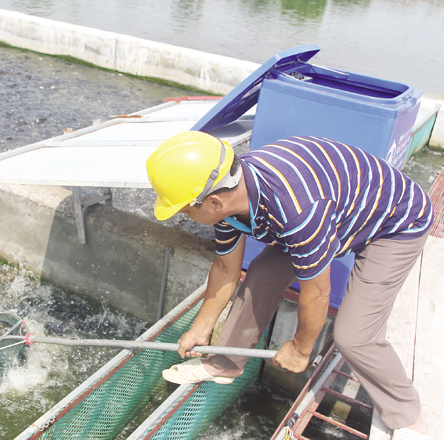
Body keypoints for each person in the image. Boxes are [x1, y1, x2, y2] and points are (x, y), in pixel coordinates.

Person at [145, 131, 432, 440]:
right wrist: (202, 327)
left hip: (395, 222)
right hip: (336, 208)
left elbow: (319, 291)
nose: (185, 216)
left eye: (186, 210)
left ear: (213, 202)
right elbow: (226, 268)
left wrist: (300, 347)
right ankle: (226, 363)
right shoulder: (229, 195)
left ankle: (409, 415)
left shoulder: (297, 210)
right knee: (262, 272)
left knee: (354, 336)